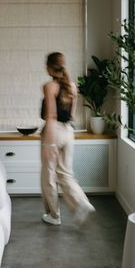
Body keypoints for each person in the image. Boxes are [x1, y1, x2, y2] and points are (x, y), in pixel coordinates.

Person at [40, 52, 96, 226]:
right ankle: (81, 203)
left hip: (53, 131)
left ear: (49, 67)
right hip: (68, 132)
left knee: (48, 174)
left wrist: (48, 140)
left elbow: (50, 115)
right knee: (65, 174)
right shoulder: (72, 86)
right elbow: (71, 115)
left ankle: (54, 215)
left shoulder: (49, 86)